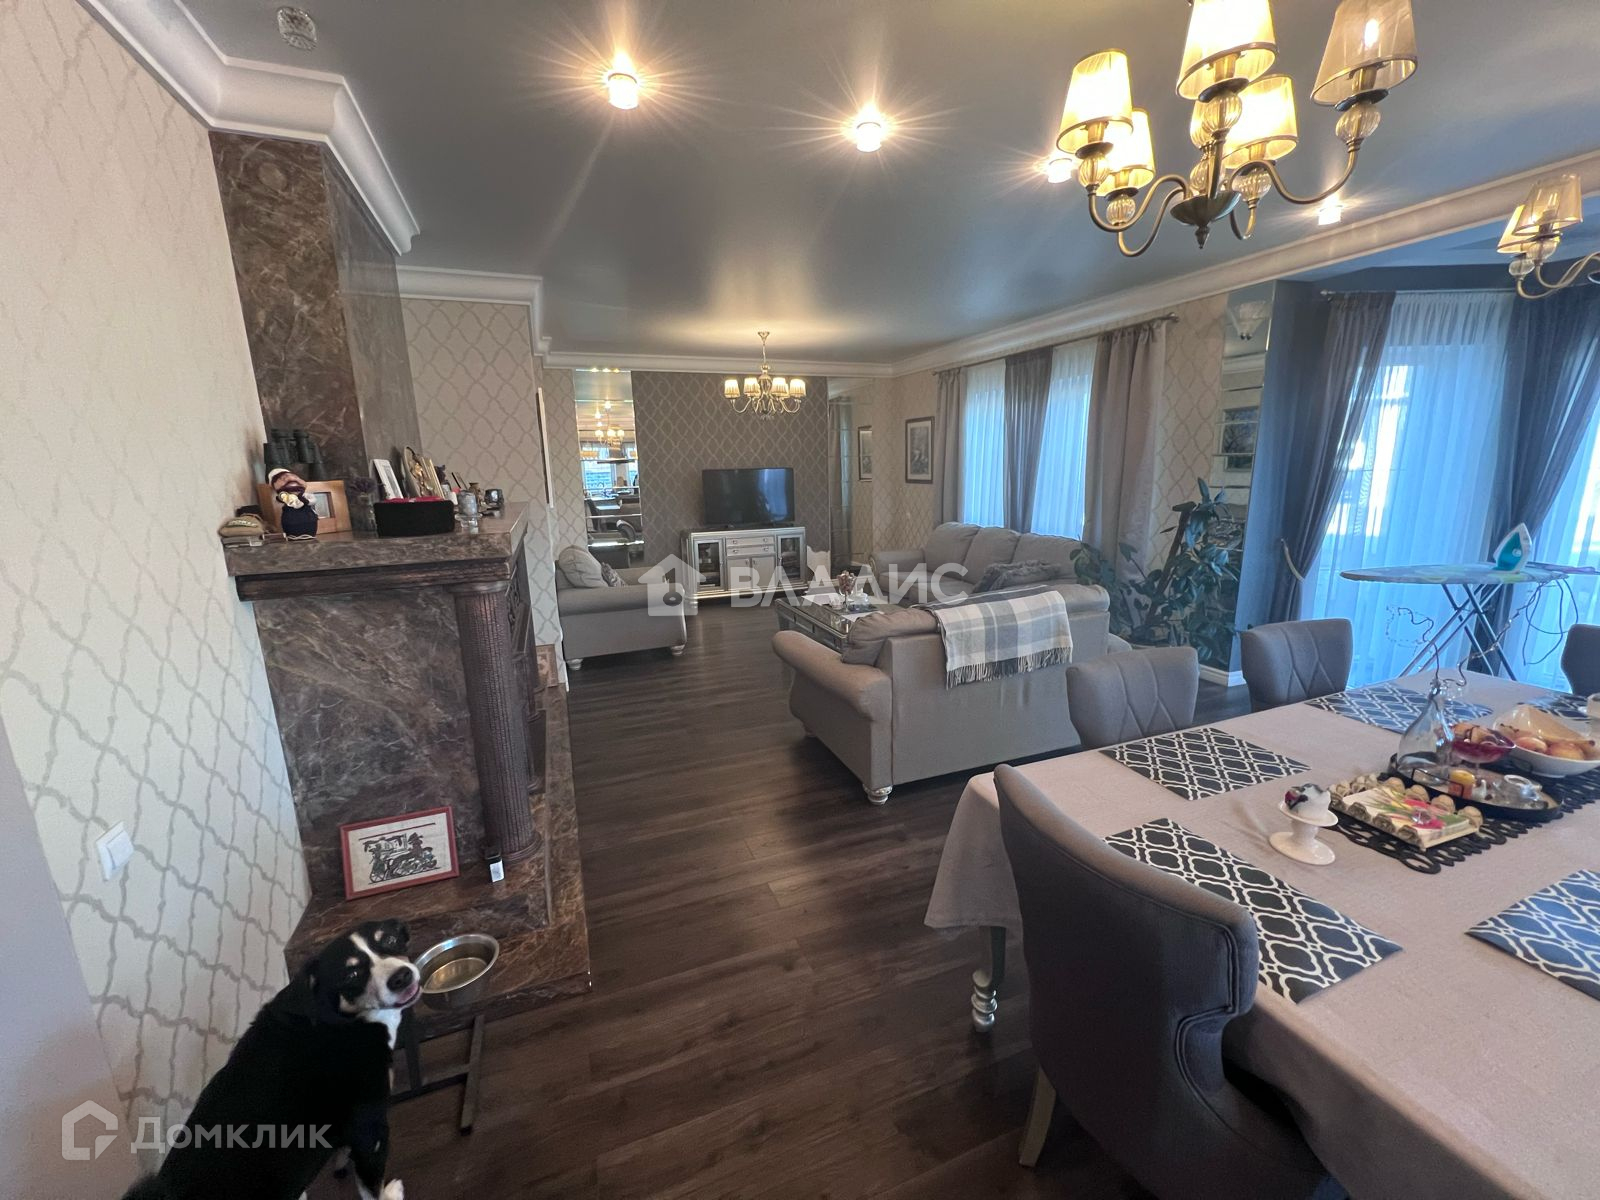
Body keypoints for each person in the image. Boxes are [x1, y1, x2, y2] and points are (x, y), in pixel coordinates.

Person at [267, 467, 319, 539]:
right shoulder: (285, 496)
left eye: (295, 477)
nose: (290, 478)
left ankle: (310, 533)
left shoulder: (305, 496)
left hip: (309, 520)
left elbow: (313, 500)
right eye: (282, 478)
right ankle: (293, 535)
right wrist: (293, 501)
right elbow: (286, 500)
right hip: (291, 520)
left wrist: (306, 501)